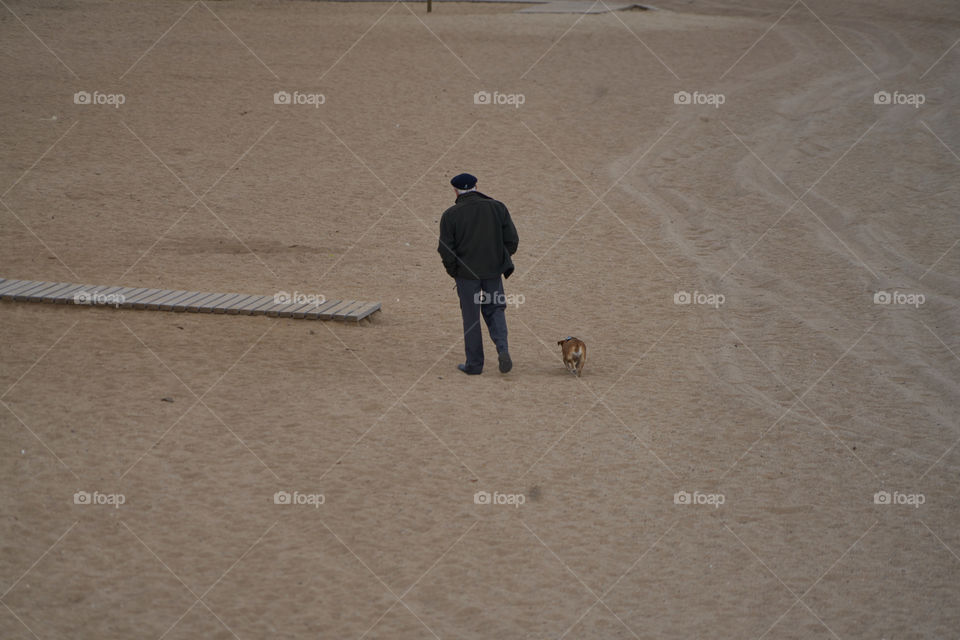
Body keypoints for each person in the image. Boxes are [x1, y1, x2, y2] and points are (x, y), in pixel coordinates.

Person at [438, 173, 519, 375]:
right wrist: (499, 260)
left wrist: (455, 272)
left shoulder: (451, 215)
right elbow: (512, 240)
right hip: (493, 272)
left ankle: (474, 365)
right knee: (496, 310)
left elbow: (445, 250)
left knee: (471, 318)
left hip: (466, 276)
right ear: (476, 186)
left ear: (456, 191)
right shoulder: (497, 207)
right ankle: (503, 349)